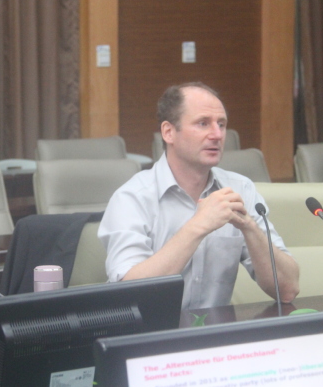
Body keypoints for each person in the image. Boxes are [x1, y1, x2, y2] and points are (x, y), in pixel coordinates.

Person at [99, 82, 299, 310]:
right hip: (151, 330)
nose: (217, 135)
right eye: (203, 123)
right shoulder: (131, 198)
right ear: (168, 132)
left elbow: (288, 290)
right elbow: (128, 295)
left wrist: (250, 228)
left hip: (217, 329)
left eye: (221, 124)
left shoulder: (241, 189)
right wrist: (199, 225)